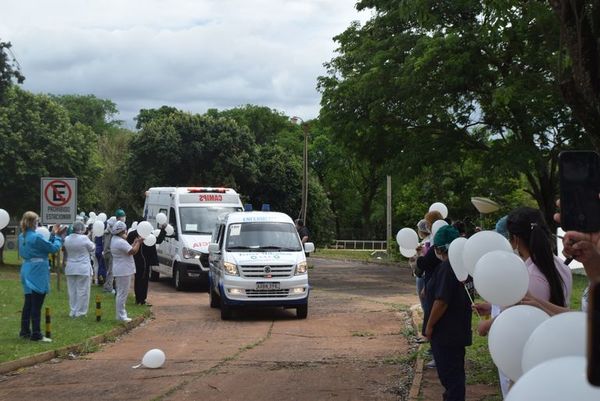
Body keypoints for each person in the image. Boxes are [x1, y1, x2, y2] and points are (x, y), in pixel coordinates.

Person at [423, 224, 472, 401]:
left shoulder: (448, 267)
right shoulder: (464, 265)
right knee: (455, 375)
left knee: (451, 378)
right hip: (458, 329)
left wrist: (429, 326)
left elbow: (442, 301)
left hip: (446, 332)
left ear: (441, 247)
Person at [18, 211, 65, 342]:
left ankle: (24, 330)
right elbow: (52, 248)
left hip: (26, 268)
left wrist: (52, 235)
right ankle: (36, 333)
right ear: (34, 222)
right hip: (37, 270)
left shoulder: (22, 236)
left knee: (28, 302)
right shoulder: (36, 237)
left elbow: (43, 246)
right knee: (37, 303)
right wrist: (57, 237)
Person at [110, 220, 143, 322]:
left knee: (121, 292)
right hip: (123, 270)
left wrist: (135, 242)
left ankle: (120, 314)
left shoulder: (116, 240)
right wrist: (139, 243)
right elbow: (132, 251)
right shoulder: (119, 241)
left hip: (121, 269)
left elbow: (128, 248)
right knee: (122, 293)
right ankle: (121, 316)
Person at [127, 224, 167, 305]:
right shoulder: (133, 234)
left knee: (144, 280)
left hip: (146, 261)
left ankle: (142, 299)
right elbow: (127, 245)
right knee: (139, 279)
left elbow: (157, 240)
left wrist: (163, 230)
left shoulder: (149, 235)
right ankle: (139, 299)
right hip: (137, 260)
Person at [63, 221, 95, 318]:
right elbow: (92, 248)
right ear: (81, 229)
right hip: (82, 267)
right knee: (83, 291)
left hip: (70, 267)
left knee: (72, 291)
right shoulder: (84, 238)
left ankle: (73, 310)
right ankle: (81, 312)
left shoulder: (67, 239)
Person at [103, 210, 125, 293]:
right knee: (111, 271)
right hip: (111, 251)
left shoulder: (108, 228)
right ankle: (108, 287)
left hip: (106, 251)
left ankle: (109, 286)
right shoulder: (115, 229)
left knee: (109, 270)